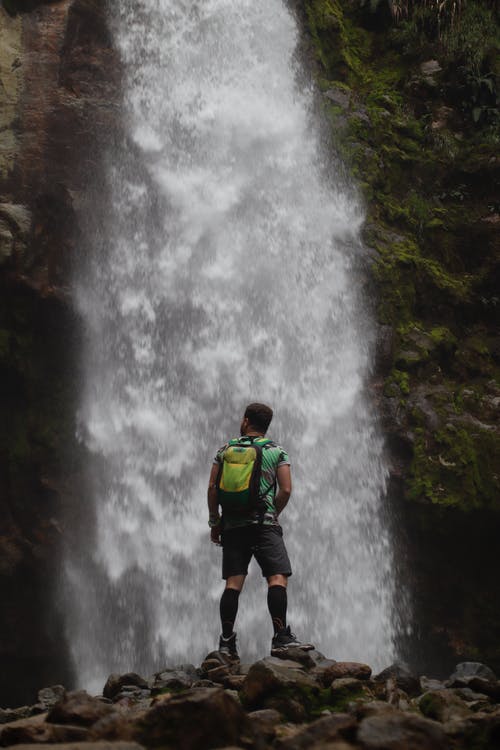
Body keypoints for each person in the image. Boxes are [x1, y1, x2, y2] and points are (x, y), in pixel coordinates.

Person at [207, 402, 312, 660]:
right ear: (267, 426)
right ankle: (280, 637)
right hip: (265, 525)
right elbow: (286, 489)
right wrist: (273, 513)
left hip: (233, 525)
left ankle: (226, 642)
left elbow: (211, 488)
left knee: (234, 584)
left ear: (245, 421)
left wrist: (215, 522)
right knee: (276, 578)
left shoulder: (226, 449)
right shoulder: (276, 451)